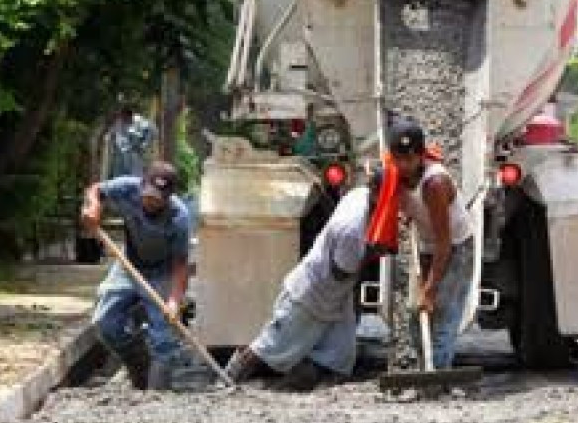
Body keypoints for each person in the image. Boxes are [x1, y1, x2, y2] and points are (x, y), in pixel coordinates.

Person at [224, 171, 382, 391]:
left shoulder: (359, 193)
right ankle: (227, 381)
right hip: (310, 293)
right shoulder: (352, 229)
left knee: (337, 358)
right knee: (270, 347)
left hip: (335, 298)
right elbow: (342, 273)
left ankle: (303, 392)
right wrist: (376, 252)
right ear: (377, 194)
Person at [81, 161, 192, 390]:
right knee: (105, 322)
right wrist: (94, 208)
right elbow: (95, 190)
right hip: (128, 264)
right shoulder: (126, 188)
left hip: (162, 273)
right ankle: (139, 363)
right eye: (148, 196)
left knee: (163, 338)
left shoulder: (179, 218)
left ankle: (158, 395)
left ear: (169, 197)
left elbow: (181, 265)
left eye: (158, 199)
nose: (150, 202)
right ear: (142, 185)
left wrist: (174, 300)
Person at [388, 117, 475, 370]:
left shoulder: (434, 184)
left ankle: (438, 378)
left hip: (456, 249)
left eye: (410, 158)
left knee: (443, 313)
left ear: (420, 155)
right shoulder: (396, 177)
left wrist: (431, 287)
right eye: (399, 158)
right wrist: (408, 213)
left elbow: (444, 242)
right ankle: (426, 369)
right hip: (428, 246)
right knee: (417, 315)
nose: (404, 164)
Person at [105, 104, 157, 180]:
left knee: (135, 178)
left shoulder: (140, 121)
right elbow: (110, 135)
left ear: (130, 116)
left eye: (125, 118)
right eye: (122, 117)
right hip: (119, 155)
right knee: (118, 178)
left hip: (134, 154)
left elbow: (153, 131)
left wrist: (144, 144)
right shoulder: (118, 122)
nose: (123, 120)